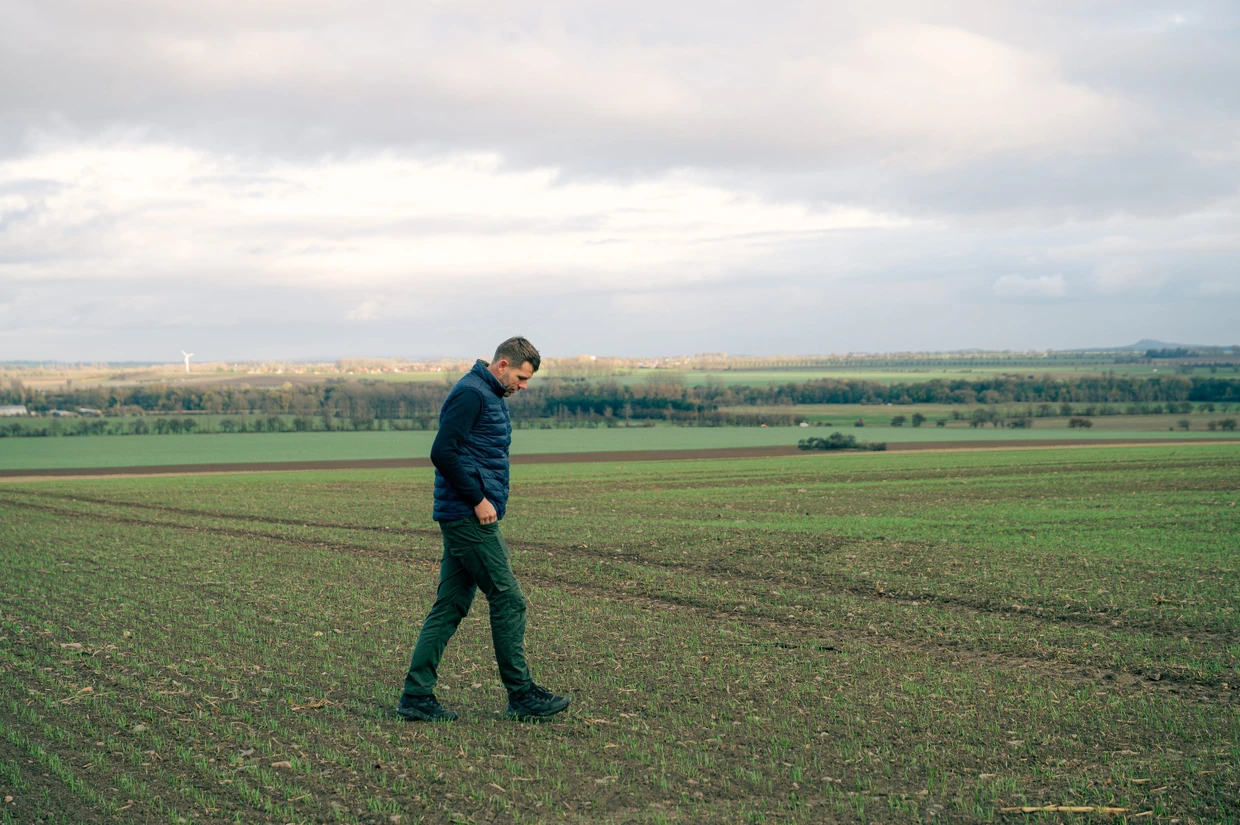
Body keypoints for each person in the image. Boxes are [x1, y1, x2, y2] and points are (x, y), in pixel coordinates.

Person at [397, 336, 571, 722]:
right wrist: (478, 498)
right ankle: (521, 693)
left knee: (450, 605)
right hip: (467, 516)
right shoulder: (472, 394)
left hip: (463, 514)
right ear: (503, 365)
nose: (524, 387)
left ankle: (416, 696)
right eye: (522, 378)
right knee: (508, 599)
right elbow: (442, 451)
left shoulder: (488, 394)